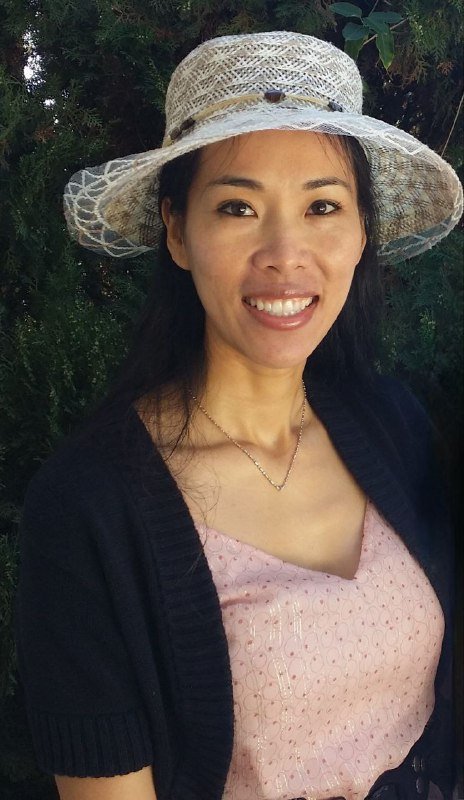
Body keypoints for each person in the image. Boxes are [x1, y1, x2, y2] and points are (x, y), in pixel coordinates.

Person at [15, 30, 462, 800]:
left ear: (361, 231)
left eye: (322, 205)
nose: (285, 253)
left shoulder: (394, 424)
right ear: (176, 231)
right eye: (237, 207)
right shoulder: (88, 509)